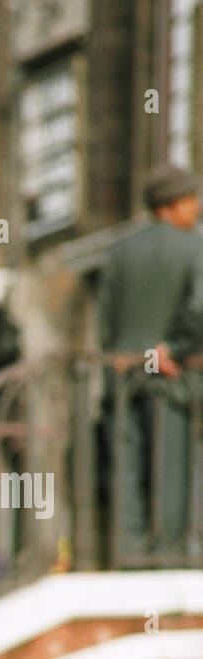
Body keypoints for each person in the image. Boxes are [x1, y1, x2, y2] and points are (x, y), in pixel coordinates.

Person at [98, 164, 203, 554]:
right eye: (192, 201)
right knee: (170, 464)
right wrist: (172, 349)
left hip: (124, 374)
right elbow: (200, 308)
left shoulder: (120, 250)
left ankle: (126, 549)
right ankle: (167, 551)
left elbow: (105, 322)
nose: (197, 209)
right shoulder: (195, 247)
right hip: (174, 377)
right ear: (171, 206)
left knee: (126, 465)